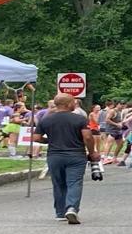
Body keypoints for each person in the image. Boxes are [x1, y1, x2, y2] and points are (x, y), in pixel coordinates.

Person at [33, 93, 99, 223]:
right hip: (76, 155)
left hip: (54, 156)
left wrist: (49, 140)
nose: (75, 104)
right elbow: (87, 137)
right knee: (74, 182)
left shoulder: (46, 120)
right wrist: (92, 152)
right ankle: (72, 208)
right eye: (73, 102)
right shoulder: (79, 119)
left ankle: (60, 212)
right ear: (68, 104)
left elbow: (36, 138)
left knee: (58, 183)